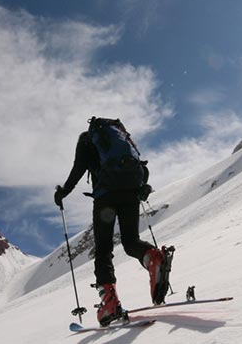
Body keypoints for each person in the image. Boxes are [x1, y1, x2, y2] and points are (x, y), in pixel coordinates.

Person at [54, 117, 173, 326]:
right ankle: (153, 257)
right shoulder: (123, 139)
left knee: (103, 250)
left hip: (105, 197)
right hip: (131, 192)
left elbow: (78, 168)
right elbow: (141, 167)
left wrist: (63, 192)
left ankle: (109, 302)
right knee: (131, 241)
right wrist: (142, 186)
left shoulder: (86, 139)